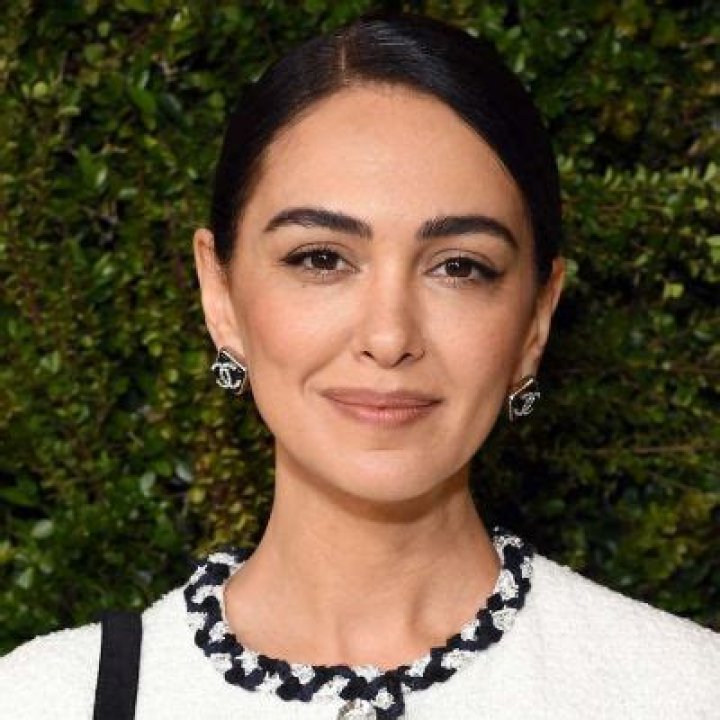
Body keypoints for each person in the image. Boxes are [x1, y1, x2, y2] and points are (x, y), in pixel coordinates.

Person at [1, 10, 718, 720]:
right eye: (321, 258)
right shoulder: (45, 700)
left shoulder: (684, 691)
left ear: (536, 317)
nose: (388, 335)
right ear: (220, 294)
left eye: (459, 266)